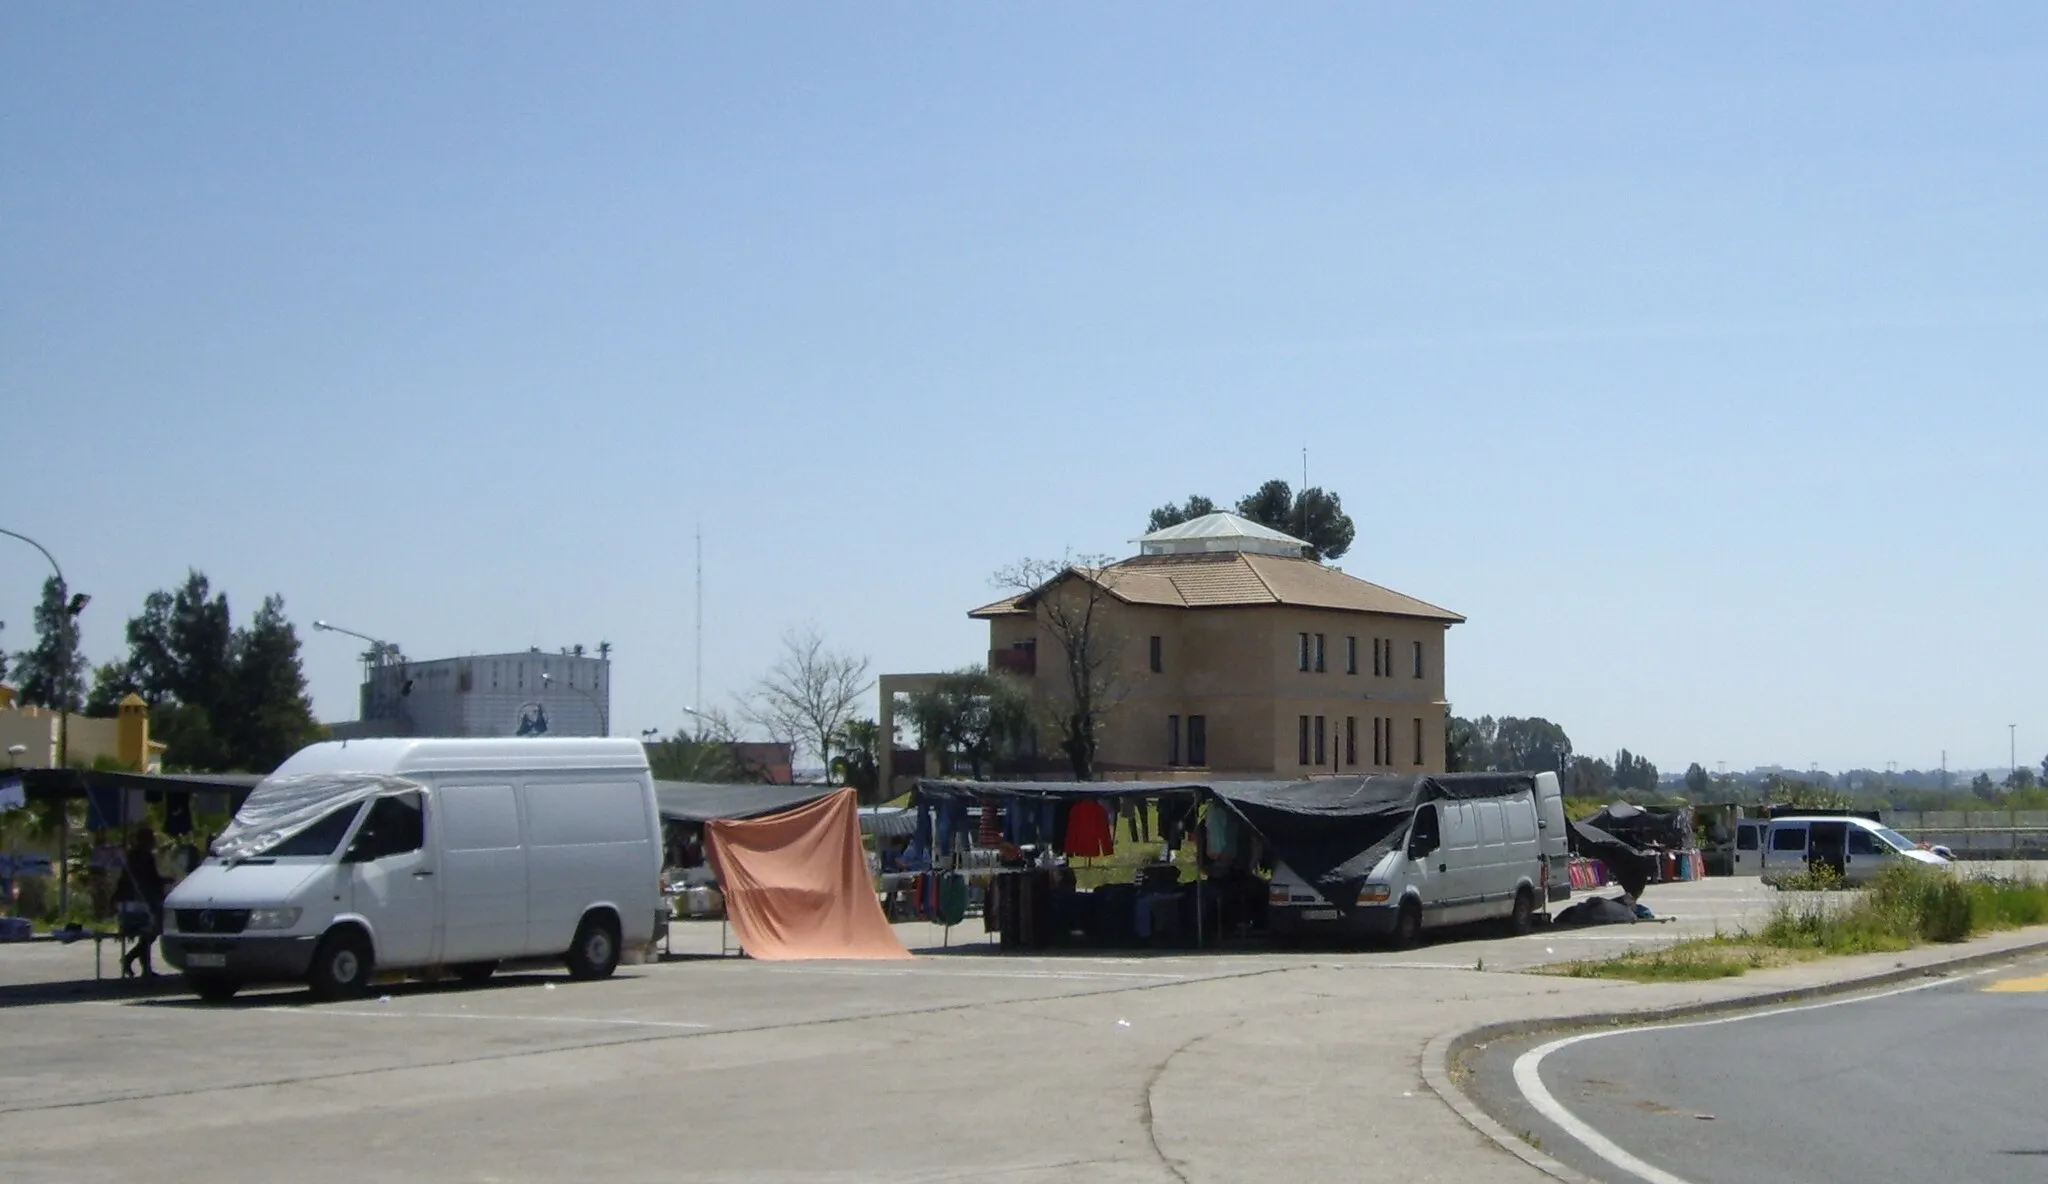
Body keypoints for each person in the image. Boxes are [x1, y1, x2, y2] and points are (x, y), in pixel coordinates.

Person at [115, 827, 167, 979]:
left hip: (131, 899)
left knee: (147, 934)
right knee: (151, 932)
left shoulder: (131, 855)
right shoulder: (145, 856)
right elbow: (152, 878)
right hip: (143, 899)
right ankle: (133, 960)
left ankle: (141, 965)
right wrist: (166, 881)